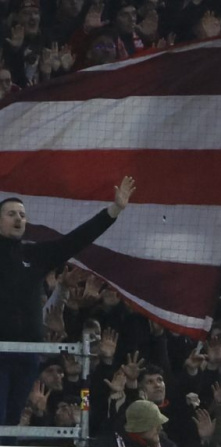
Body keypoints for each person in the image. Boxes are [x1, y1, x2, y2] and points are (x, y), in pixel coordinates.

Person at [0, 177, 134, 433]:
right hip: (0, 350)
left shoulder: (34, 254)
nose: (18, 219)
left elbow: (75, 240)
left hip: (28, 354)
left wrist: (114, 211)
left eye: (22, 215)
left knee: (13, 419)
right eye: (11, 214)